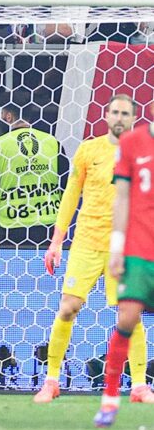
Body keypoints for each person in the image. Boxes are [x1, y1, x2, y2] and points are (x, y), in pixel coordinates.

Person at [34, 94, 153, 406]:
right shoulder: (89, 150)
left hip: (126, 246)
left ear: (133, 118)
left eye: (125, 113)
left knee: (131, 314)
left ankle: (139, 386)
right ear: (106, 115)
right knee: (67, 307)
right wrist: (56, 241)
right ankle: (52, 380)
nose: (119, 118)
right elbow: (71, 195)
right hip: (87, 243)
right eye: (114, 112)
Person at [93, 112, 154, 427]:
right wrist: (117, 248)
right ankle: (110, 399)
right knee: (127, 318)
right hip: (141, 249)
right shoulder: (133, 142)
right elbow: (122, 199)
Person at [0, 104, 69, 247]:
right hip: (48, 224)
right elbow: (65, 182)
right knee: (46, 269)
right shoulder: (52, 142)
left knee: (9, 268)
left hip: (11, 224)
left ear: (8, 116)